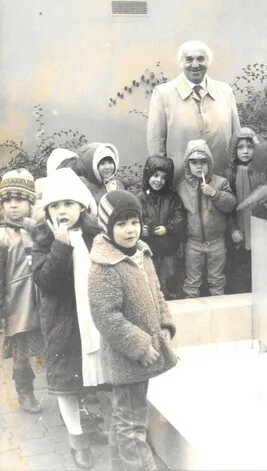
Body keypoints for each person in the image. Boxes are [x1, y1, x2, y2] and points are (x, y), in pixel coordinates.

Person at [88, 190, 177, 471]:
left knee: (125, 418)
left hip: (145, 351)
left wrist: (164, 324)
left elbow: (157, 293)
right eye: (121, 224)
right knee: (132, 424)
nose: (130, 230)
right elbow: (106, 316)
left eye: (134, 222)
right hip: (128, 357)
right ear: (107, 226)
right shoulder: (104, 266)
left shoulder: (141, 254)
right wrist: (140, 346)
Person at [32, 168, 104, 470]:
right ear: (47, 210)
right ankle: (77, 440)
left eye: (68, 204)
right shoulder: (45, 240)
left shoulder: (95, 234)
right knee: (66, 381)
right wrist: (60, 244)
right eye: (55, 206)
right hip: (62, 321)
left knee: (90, 375)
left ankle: (90, 421)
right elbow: (46, 281)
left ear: (82, 207)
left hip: (91, 319)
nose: (62, 211)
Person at [147, 40, 242, 186]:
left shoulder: (225, 91)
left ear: (208, 61)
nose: (195, 64)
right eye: (189, 59)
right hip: (180, 184)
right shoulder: (163, 94)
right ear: (181, 63)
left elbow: (237, 137)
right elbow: (156, 143)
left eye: (200, 59)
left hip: (221, 182)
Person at [0, 169, 42, 413]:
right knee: (22, 349)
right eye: (7, 200)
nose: (13, 205)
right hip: (17, 301)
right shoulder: (3, 234)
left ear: (30, 201)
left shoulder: (39, 229)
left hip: (43, 298)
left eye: (20, 199)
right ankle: (25, 391)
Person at [176, 139, 236, 297]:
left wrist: (214, 194)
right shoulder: (182, 187)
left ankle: (220, 313)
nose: (199, 166)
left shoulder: (220, 182)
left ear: (209, 163)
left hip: (216, 241)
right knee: (192, 282)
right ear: (187, 164)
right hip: (193, 243)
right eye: (194, 162)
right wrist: (182, 241)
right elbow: (180, 216)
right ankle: (192, 314)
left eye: (203, 162)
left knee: (217, 280)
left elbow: (231, 204)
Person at [138, 155, 186, 300]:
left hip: (168, 249)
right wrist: (142, 229)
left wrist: (168, 228)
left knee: (170, 278)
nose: (159, 180)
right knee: (149, 281)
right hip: (148, 249)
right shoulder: (140, 198)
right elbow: (135, 218)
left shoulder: (172, 198)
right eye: (155, 175)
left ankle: (170, 304)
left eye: (163, 178)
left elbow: (180, 217)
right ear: (148, 175)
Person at [225, 128, 258, 294]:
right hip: (239, 231)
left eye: (250, 146)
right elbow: (228, 207)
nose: (245, 151)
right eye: (240, 147)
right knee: (240, 271)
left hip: (259, 230)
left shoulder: (261, 171)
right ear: (234, 150)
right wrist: (233, 229)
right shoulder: (230, 174)